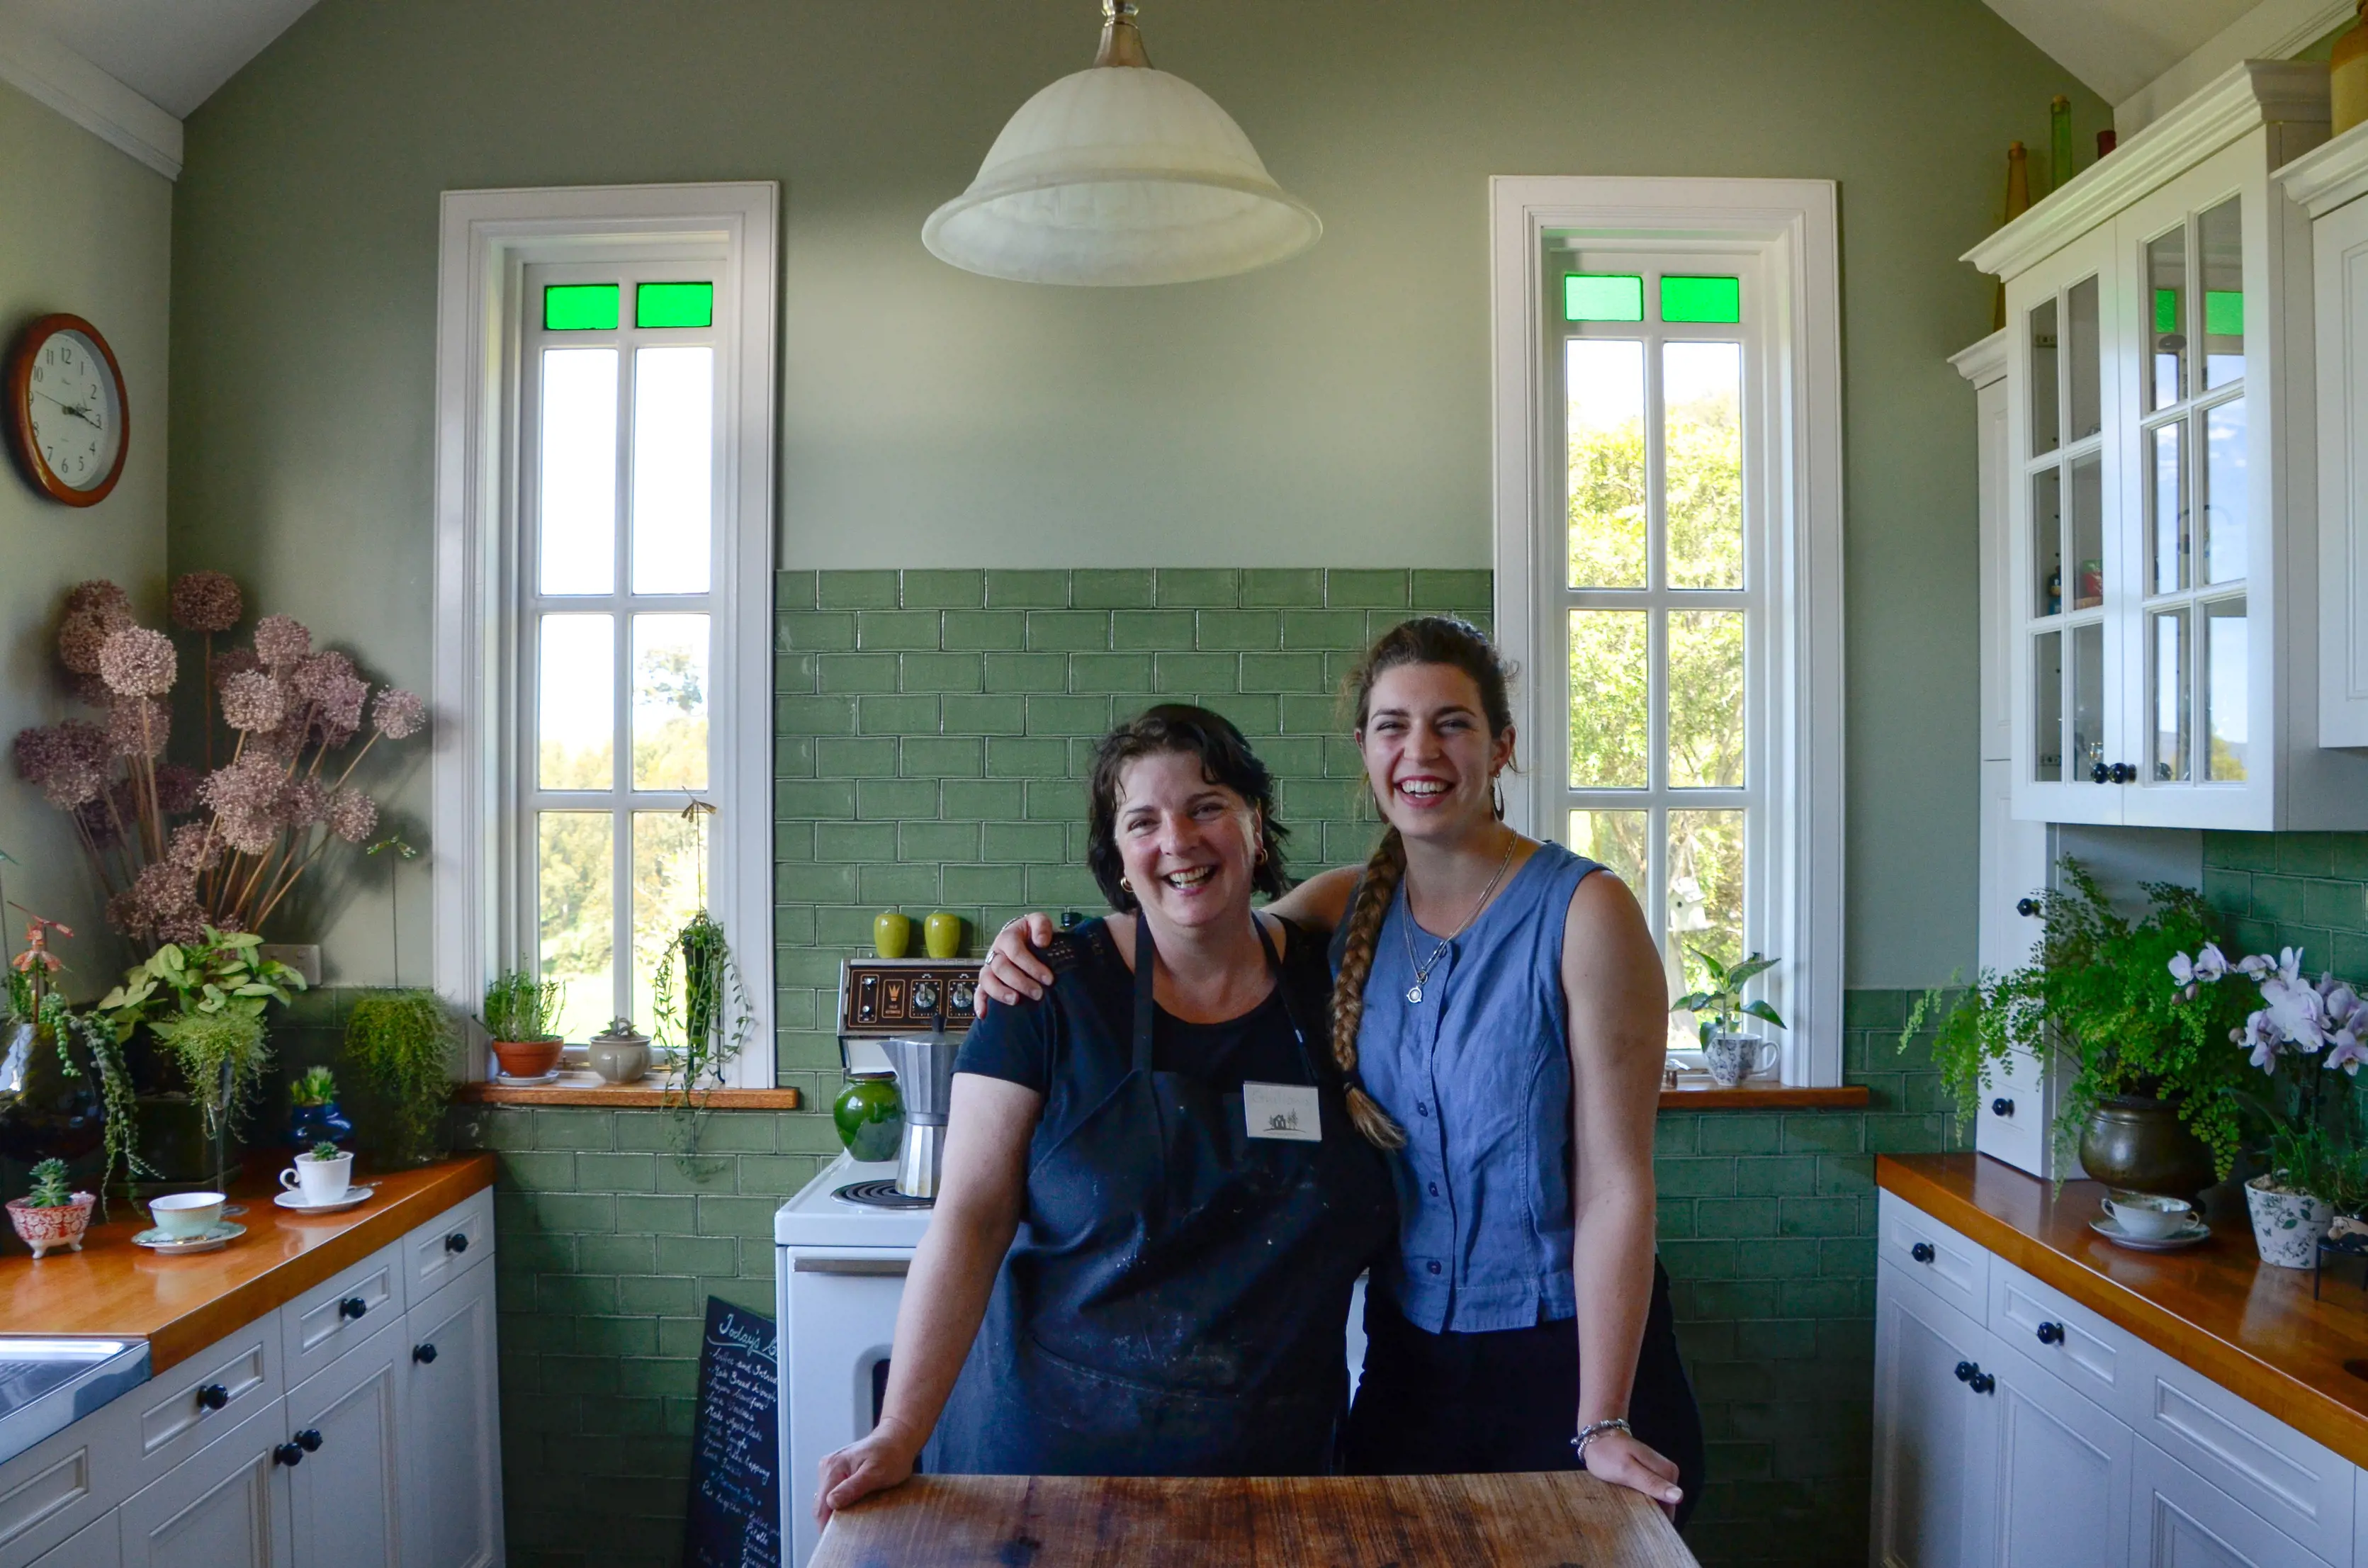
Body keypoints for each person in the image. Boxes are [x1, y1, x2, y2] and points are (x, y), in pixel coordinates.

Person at [982, 617, 1703, 1523]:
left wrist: (1602, 1416)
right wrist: (1039, 948)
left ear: (1503, 746)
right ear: (1364, 748)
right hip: (1408, 1365)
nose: (1421, 750)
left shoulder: (1585, 912)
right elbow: (1194, 935)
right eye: (1393, 725)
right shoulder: (1344, 904)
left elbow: (1617, 1184)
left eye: (1453, 723)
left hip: (1568, 1361)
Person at [815, 704, 1396, 1525]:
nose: (1180, 841)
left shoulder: (1333, 986)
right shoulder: (1044, 990)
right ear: (1119, 858)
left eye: (1208, 806)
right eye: (1143, 820)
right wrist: (899, 1429)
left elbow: (1425, 874)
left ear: (1255, 826)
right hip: (1043, 1484)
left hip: (1271, 1483)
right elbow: (971, 1217)